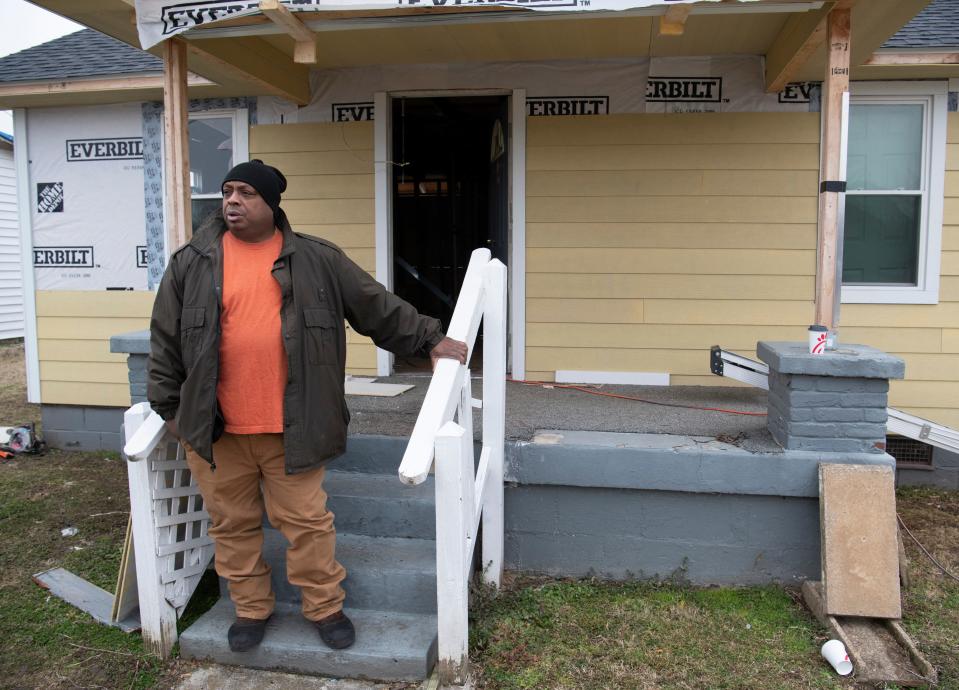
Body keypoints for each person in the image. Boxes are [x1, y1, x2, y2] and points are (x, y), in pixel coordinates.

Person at [148, 159, 467, 653]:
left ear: (272, 203)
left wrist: (430, 338)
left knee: (307, 525)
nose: (232, 201)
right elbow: (165, 339)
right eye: (228, 191)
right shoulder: (193, 260)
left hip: (293, 426)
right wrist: (169, 409)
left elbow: (375, 305)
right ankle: (251, 609)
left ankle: (325, 607)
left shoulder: (316, 259)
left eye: (246, 193)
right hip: (216, 429)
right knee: (231, 526)